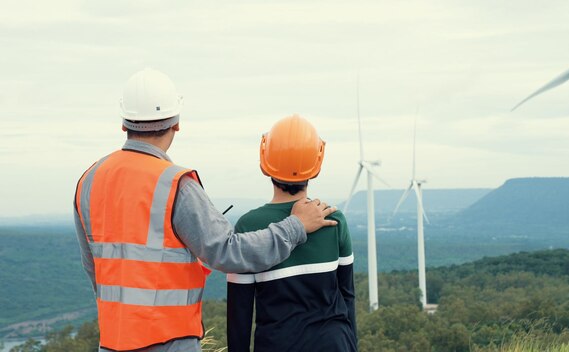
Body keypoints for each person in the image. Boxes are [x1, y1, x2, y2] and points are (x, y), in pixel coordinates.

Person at [73, 69, 338, 352]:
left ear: (124, 124)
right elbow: (230, 252)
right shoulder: (175, 185)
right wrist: (296, 226)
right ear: (176, 123)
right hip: (170, 342)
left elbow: (96, 267)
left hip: (113, 343)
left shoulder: (89, 180)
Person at [226, 115, 357, 352]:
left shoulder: (248, 227)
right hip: (336, 344)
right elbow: (347, 296)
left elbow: (240, 315)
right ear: (316, 166)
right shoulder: (333, 219)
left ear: (264, 163)